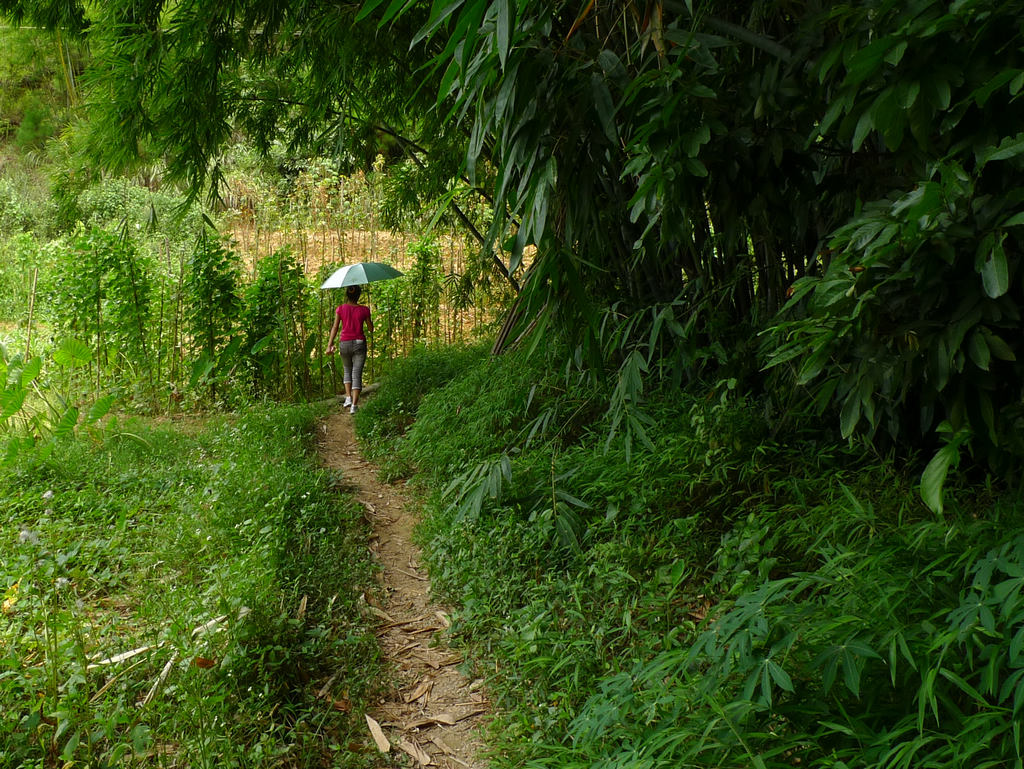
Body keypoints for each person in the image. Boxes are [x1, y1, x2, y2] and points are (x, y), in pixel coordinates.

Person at [326, 284, 373, 414]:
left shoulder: (340, 309)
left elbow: (335, 328)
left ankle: (348, 397)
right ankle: (354, 405)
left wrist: (329, 345)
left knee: (347, 370)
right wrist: (367, 317)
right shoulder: (364, 310)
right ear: (359, 295)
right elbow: (370, 329)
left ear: (347, 295)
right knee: (357, 373)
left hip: (344, 343)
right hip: (359, 343)